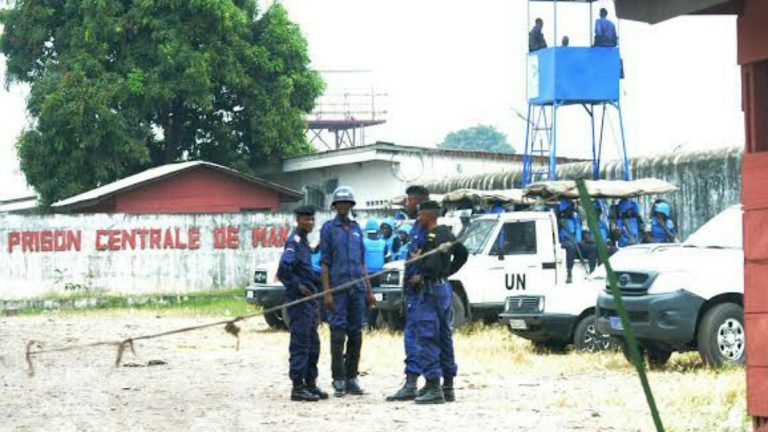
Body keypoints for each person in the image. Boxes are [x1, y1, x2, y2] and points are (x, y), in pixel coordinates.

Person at [321, 186, 377, 397]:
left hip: (357, 290)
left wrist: (369, 291)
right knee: (338, 334)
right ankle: (338, 378)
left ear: (351, 205)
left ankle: (352, 377)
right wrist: (327, 293)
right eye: (340, 203)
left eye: (347, 203)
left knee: (356, 334)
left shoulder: (356, 229)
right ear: (335, 206)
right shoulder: (328, 229)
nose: (343, 206)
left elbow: (362, 263)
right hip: (338, 290)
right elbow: (325, 263)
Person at [410, 200, 468, 404]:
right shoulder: (446, 233)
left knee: (428, 337)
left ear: (429, 215)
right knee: (444, 336)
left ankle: (434, 386)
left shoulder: (435, 235)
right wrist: (448, 272)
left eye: (421, 214)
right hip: (443, 288)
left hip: (431, 291)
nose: (418, 218)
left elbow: (432, 265)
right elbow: (462, 253)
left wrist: (420, 267)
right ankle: (447, 387)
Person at [277, 205, 328, 402]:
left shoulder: (305, 242)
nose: (310, 222)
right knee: (301, 344)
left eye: (312, 219)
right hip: (298, 302)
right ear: (298, 220)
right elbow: (283, 270)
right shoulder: (294, 241)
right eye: (306, 219)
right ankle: (298, 387)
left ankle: (310, 384)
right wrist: (298, 287)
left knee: (313, 344)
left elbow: (305, 271)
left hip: (309, 302)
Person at [386, 185, 430, 402]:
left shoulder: (428, 229)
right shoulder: (415, 227)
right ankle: (427, 382)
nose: (406, 204)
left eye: (409, 200)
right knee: (417, 336)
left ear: (419, 202)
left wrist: (422, 275)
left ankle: (414, 382)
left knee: (415, 336)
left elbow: (438, 259)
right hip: (412, 292)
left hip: (423, 293)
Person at [557, 199, 596, 283]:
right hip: (565, 243)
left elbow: (580, 231)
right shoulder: (560, 221)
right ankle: (569, 274)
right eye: (570, 209)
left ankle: (592, 271)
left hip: (577, 244)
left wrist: (581, 240)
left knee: (592, 247)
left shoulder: (575, 219)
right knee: (571, 247)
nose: (572, 210)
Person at [363, 219, 386, 328]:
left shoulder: (382, 243)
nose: (372, 235)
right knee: (369, 299)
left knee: (376, 299)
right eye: (370, 233)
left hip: (376, 276)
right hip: (369, 276)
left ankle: (371, 323)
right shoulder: (364, 243)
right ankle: (367, 323)